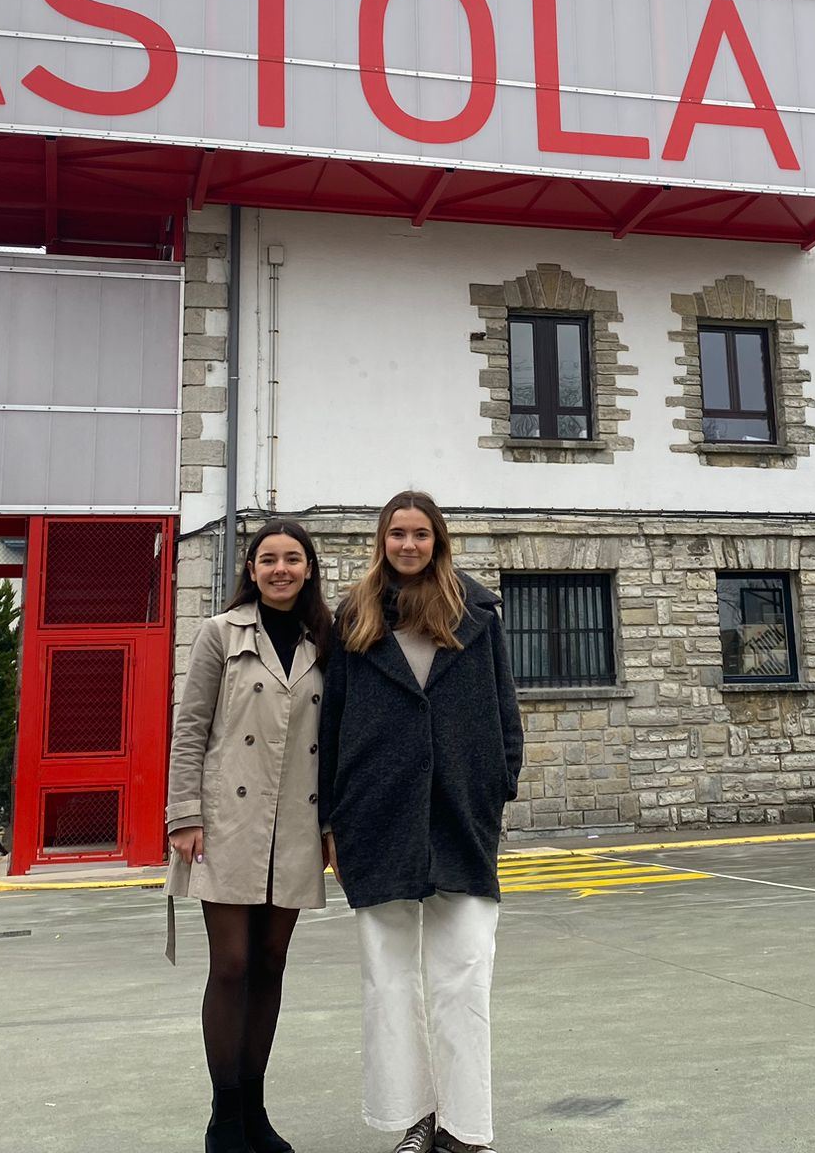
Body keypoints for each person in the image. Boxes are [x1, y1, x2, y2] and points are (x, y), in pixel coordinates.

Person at [319, 490, 524, 1153]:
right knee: (387, 976)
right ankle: (414, 1117)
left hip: (461, 812)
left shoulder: (478, 613)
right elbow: (334, 721)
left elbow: (503, 709)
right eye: (397, 534)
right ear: (382, 541)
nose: (408, 545)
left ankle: (465, 1127)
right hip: (374, 812)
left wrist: (496, 786)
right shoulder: (353, 617)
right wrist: (331, 815)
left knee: (463, 971)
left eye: (420, 534)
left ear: (438, 541)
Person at [166, 518, 336, 1153]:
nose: (281, 569)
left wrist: (331, 825)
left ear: (309, 568)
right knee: (232, 966)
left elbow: (337, 741)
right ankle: (225, 1118)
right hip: (227, 822)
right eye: (269, 559)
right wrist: (183, 814)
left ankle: (257, 1114)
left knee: (271, 964)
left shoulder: (329, 639)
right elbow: (191, 727)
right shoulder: (220, 632)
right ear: (253, 568)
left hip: (295, 821)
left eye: (293, 559)